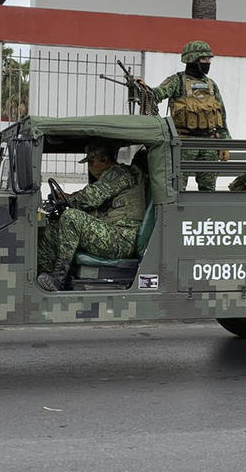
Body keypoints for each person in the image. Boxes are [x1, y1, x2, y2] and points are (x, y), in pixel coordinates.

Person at [37, 141, 146, 292]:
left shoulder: (119, 174)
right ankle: (43, 274)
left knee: (71, 218)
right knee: (52, 228)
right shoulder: (109, 177)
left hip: (122, 238)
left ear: (103, 159)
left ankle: (59, 278)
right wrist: (68, 198)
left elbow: (91, 198)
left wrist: (68, 200)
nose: (89, 166)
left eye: (90, 161)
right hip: (110, 233)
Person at [143, 40, 230, 191]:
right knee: (177, 188)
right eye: (204, 59)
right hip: (183, 144)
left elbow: (221, 116)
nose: (208, 63)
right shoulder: (177, 81)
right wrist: (143, 89)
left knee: (208, 190)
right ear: (192, 59)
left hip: (209, 143)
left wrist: (225, 144)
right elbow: (156, 94)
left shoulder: (211, 85)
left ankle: (206, 215)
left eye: (209, 59)